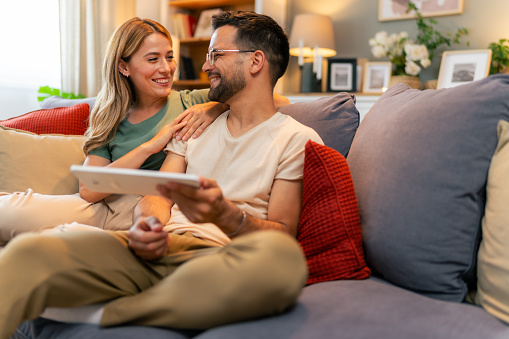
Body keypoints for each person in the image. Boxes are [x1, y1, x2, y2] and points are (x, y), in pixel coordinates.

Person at [0, 11, 321, 338]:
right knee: (32, 252)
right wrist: (146, 225)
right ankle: (157, 305)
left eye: (216, 55)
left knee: (285, 263)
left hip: (222, 255)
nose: (205, 66)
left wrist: (225, 215)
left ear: (255, 62)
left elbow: (282, 234)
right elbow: (157, 193)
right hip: (160, 245)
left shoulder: (296, 138)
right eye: (207, 56)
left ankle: (115, 311)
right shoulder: (190, 127)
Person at [0, 17, 288, 245]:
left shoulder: (191, 101)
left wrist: (212, 108)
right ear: (124, 67)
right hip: (100, 208)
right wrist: (150, 146)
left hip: (148, 211)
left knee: (53, 241)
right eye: (153, 59)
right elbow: (88, 190)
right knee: (8, 210)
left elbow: (274, 99)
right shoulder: (109, 115)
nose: (166, 68)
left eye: (170, 56)